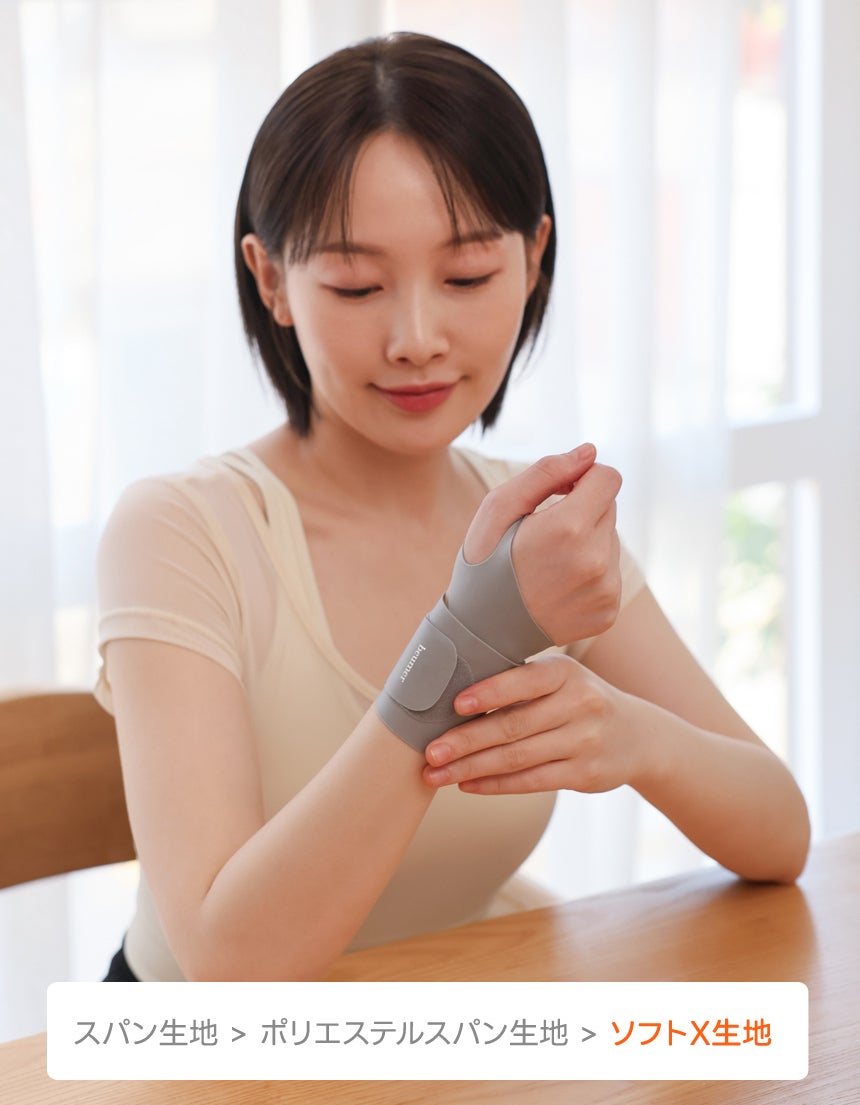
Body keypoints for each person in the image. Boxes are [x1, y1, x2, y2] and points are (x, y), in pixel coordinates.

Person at [96, 32, 809, 983]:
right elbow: (231, 965)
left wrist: (636, 738)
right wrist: (471, 638)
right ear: (272, 281)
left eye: (467, 275)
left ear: (534, 258)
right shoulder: (181, 532)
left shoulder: (537, 531)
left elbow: (780, 833)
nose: (417, 338)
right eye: (357, 285)